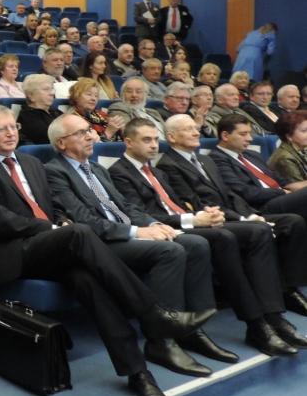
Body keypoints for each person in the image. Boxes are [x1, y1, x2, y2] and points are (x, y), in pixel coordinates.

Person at [0, 106, 215, 396]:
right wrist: (53, 227)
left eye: (13, 126)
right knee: (80, 232)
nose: (11, 132)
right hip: (13, 250)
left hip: (52, 246)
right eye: (2, 129)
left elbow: (54, 204)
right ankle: (154, 314)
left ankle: (138, 373)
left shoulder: (30, 162)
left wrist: (60, 221)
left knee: (90, 282)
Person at [44, 113, 220, 376]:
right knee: (169, 251)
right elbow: (84, 221)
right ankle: (162, 342)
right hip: (101, 243)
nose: (91, 136)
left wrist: (154, 224)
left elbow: (126, 207)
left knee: (196, 244)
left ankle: (191, 331)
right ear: (61, 143)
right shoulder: (54, 172)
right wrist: (137, 232)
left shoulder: (97, 169)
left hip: (127, 232)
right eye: (81, 133)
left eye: (89, 130)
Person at [110, 117, 301, 357]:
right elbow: (142, 214)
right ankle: (255, 324)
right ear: (128, 142)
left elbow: (182, 204)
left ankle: (271, 316)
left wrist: (205, 214)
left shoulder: (156, 171)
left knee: (258, 230)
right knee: (225, 237)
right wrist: (193, 220)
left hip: (186, 222)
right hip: (164, 229)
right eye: (146, 140)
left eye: (155, 139)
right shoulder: (118, 172)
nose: (153, 145)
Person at [159, 114, 307, 328]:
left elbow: (229, 194)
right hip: (213, 219)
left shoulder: (204, 160)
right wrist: (245, 218)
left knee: (292, 222)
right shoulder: (168, 165)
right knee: (258, 231)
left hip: (234, 213)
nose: (196, 132)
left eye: (196, 128)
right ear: (171, 137)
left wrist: (250, 215)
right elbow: (198, 203)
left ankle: (287, 290)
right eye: (188, 129)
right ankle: (268, 317)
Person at [210, 113, 307, 224]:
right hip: (260, 206)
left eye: (249, 134)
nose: (249, 139)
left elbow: (280, 181)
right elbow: (244, 192)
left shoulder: (253, 155)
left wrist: (292, 189)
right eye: (243, 134)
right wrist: (282, 192)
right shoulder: (217, 159)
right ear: (225, 136)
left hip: (279, 198)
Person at [16, 74, 61, 145]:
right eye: (46, 89)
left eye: (52, 89)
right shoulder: (27, 116)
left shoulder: (55, 112)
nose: (52, 93)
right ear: (31, 95)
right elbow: (49, 138)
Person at [269, 111, 307, 188]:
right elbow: (299, 189)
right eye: (304, 131)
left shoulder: (303, 150)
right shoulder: (284, 158)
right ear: (289, 136)